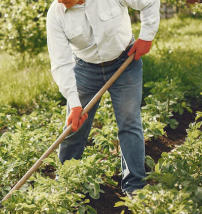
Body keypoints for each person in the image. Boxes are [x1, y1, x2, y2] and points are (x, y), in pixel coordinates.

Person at [46, 0, 160, 197]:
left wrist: (146, 37)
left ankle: (134, 186)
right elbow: (61, 63)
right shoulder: (56, 13)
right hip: (85, 70)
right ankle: (65, 182)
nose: (59, 1)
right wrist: (74, 103)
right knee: (74, 126)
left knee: (129, 123)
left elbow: (150, 2)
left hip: (125, 62)